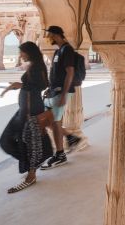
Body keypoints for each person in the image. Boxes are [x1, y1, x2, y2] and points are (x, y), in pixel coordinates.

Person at [0, 41, 52, 193]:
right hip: (24, 110)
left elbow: (42, 85)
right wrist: (18, 86)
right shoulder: (35, 65)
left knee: (30, 142)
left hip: (31, 111)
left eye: (21, 52)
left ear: (29, 52)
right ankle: (29, 164)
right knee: (8, 141)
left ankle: (31, 174)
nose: (20, 55)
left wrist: (21, 85)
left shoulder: (37, 66)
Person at [40, 26, 82, 169]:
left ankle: (60, 155)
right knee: (47, 121)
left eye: (49, 35)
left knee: (56, 122)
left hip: (61, 92)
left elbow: (70, 72)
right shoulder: (59, 51)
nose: (48, 38)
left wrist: (64, 94)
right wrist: (49, 89)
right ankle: (71, 137)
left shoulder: (67, 50)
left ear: (56, 35)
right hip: (54, 91)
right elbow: (57, 74)